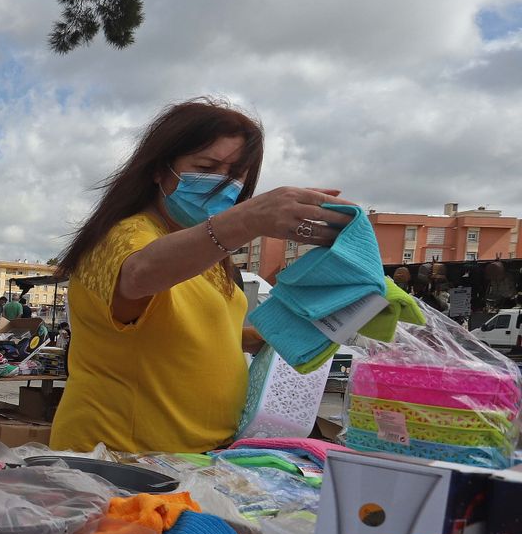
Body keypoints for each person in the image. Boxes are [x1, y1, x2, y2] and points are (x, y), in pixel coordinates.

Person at [50, 97, 355, 454]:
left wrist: (264, 337)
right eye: (207, 167)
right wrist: (248, 219)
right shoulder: (124, 236)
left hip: (196, 460)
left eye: (236, 175)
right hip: (120, 461)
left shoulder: (207, 254)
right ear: (160, 170)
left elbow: (178, 332)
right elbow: (137, 276)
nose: (223, 185)